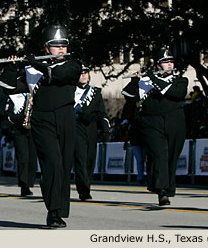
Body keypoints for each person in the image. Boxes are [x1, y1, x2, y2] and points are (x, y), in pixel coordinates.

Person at [0, 24, 82, 228]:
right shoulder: (30, 70)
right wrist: (11, 68)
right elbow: (7, 87)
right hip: (41, 120)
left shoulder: (74, 65)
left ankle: (60, 208)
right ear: (46, 48)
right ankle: (53, 212)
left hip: (66, 117)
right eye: (56, 46)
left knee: (63, 165)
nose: (61, 49)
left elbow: (60, 75)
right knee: (52, 162)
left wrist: (37, 65)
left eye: (64, 45)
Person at [122, 48, 188, 206]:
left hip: (175, 122)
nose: (170, 64)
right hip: (152, 123)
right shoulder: (147, 81)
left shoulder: (180, 80)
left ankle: (168, 187)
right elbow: (130, 97)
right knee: (159, 155)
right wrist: (135, 81)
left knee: (172, 156)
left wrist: (153, 78)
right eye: (165, 62)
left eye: (171, 61)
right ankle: (162, 191)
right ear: (158, 65)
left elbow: (175, 93)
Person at [73, 65, 110, 201]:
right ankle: (84, 190)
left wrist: (106, 129)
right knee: (80, 159)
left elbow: (101, 112)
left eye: (86, 73)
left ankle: (87, 184)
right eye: (80, 73)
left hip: (91, 128)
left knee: (90, 159)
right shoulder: (70, 91)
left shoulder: (95, 92)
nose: (83, 75)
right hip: (76, 127)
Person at [2, 92, 37, 196]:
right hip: (19, 130)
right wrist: (20, 117)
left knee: (32, 157)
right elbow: (8, 115)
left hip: (32, 129)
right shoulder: (13, 97)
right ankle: (24, 185)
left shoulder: (34, 93)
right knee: (23, 157)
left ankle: (30, 181)